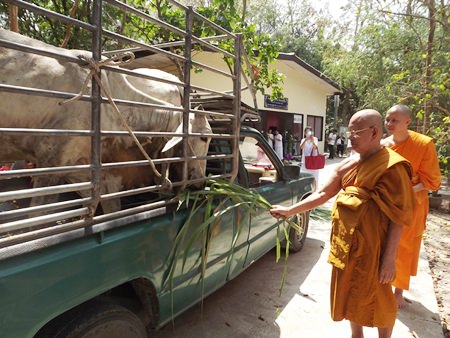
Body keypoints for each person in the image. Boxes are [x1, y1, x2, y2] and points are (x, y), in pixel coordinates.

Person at [270, 109, 415, 338]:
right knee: (348, 291)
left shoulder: (393, 166)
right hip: (346, 243)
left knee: (380, 297)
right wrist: (290, 211)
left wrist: (389, 259)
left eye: (355, 133)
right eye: (349, 132)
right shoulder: (349, 164)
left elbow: (398, 217)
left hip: (374, 246)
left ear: (374, 132)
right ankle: (356, 334)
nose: (350, 138)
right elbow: (322, 195)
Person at [383, 104, 441, 308]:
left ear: (407, 122)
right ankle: (383, 289)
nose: (389, 124)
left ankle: (398, 293)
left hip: (412, 205)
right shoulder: (383, 145)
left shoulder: (423, 144)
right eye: (387, 119)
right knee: (384, 245)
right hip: (386, 204)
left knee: (405, 249)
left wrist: (404, 189)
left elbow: (432, 181)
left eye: (394, 120)